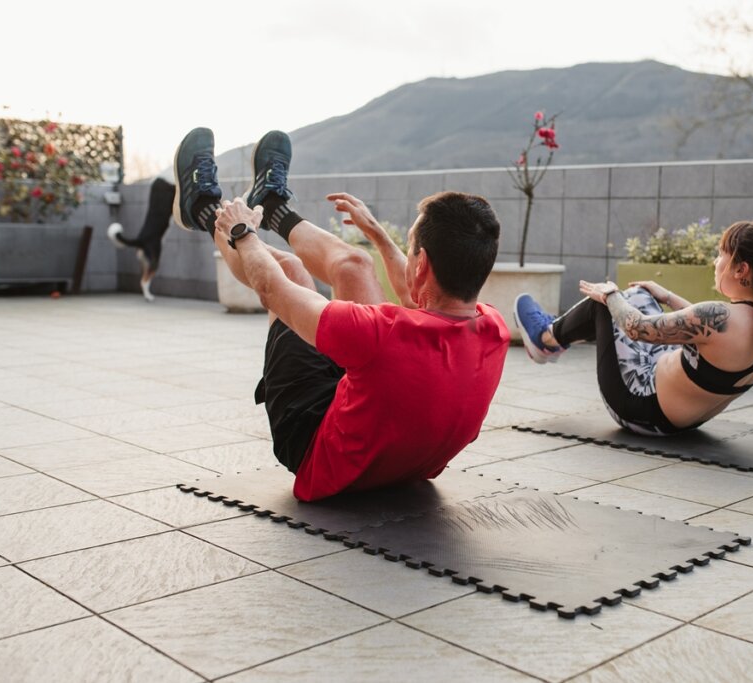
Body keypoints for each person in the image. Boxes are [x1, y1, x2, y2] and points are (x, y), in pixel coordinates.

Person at [172, 127, 509, 500]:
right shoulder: (493, 327)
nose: (408, 254)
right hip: (395, 452)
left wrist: (242, 230)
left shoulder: (382, 333)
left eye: (411, 247)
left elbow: (271, 289)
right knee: (355, 263)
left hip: (317, 446)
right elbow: (413, 290)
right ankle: (272, 203)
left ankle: (201, 207)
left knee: (289, 273)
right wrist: (379, 236)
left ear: (423, 263)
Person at [513, 221, 753, 436]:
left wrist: (609, 294)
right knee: (640, 294)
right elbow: (708, 334)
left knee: (608, 304)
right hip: (684, 419)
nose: (715, 263)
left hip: (638, 406)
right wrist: (667, 296)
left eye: (720, 255)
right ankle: (560, 333)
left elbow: (637, 328)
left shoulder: (721, 316)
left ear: (741, 269)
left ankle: (546, 339)